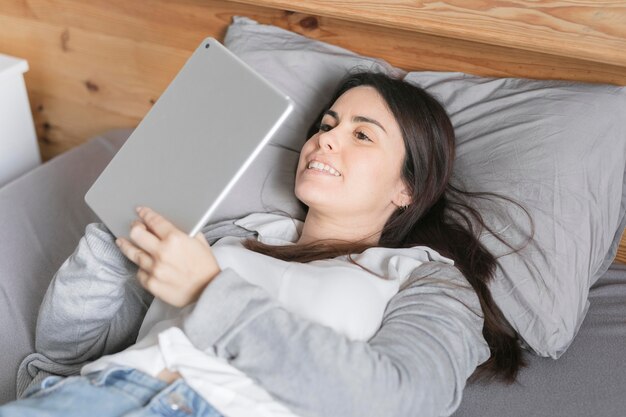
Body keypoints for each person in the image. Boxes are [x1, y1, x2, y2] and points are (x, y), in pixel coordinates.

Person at [1, 71, 527, 417]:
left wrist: (211, 292)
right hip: (88, 397)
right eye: (327, 124)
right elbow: (66, 346)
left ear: (407, 187)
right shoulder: (235, 238)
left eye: (361, 135)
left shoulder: (426, 279)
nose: (325, 139)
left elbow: (400, 400)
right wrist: (114, 240)